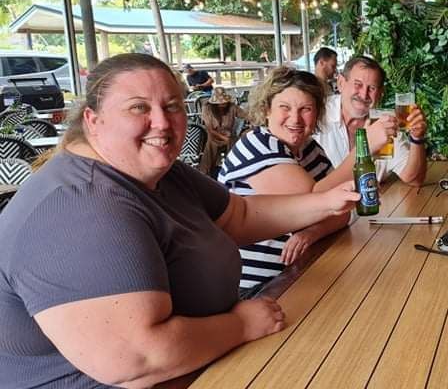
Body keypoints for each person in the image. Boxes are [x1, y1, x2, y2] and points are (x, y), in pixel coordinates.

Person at [0, 53, 359, 388]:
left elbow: (240, 215)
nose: (162, 122)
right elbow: (139, 358)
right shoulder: (80, 204)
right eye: (138, 107)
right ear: (94, 121)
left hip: (207, 365)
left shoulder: (157, 172)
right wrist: (241, 325)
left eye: (172, 106)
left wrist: (328, 203)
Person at [218, 67, 352, 295]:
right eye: (285, 107)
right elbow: (317, 199)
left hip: (299, 271)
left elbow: (341, 211)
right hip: (251, 289)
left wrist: (311, 234)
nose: (295, 118)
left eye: (306, 109)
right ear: (267, 109)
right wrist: (364, 150)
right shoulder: (257, 145)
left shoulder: (310, 148)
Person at [314, 56, 427, 186]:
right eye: (358, 85)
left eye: (372, 88)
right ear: (341, 83)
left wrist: (417, 138)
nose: (363, 94)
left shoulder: (384, 123)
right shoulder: (318, 114)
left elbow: (414, 178)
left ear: (380, 94)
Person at [199, 87, 247, 177]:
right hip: (213, 135)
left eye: (224, 102)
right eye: (220, 103)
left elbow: (246, 115)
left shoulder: (232, 106)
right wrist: (224, 138)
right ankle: (204, 173)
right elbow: (209, 129)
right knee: (212, 143)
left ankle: (233, 170)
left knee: (234, 141)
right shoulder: (207, 108)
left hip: (228, 135)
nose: (223, 104)